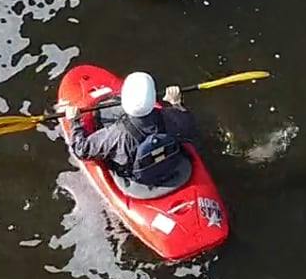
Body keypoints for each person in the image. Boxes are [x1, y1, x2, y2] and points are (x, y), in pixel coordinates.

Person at [59, 71, 200, 195]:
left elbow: (81, 150)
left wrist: (74, 122)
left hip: (139, 182)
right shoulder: (171, 117)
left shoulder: (115, 135)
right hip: (173, 167)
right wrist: (176, 103)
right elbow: (189, 125)